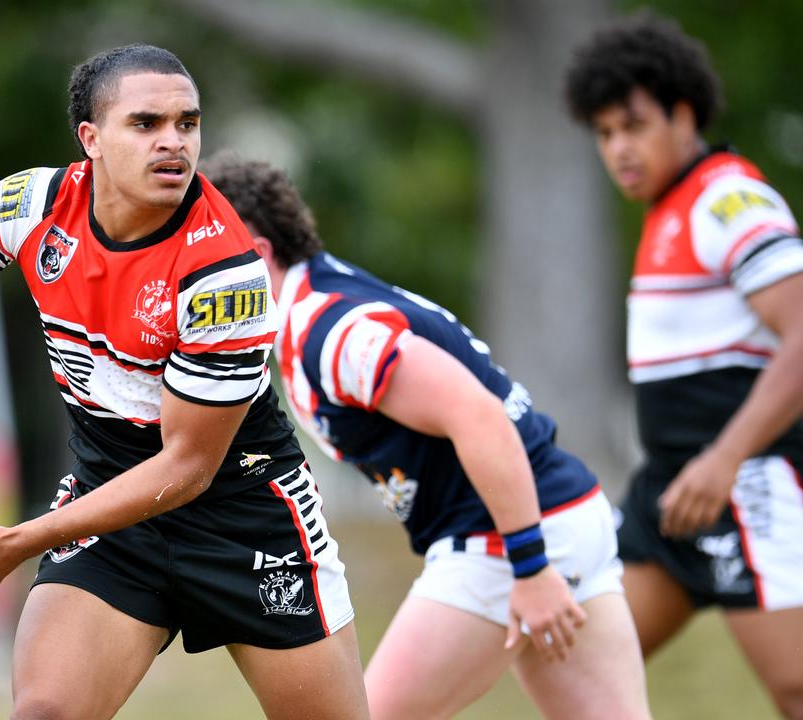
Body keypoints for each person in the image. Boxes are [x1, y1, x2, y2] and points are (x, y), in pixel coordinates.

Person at [0, 44, 368, 720]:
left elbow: (189, 466)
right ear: (91, 139)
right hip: (110, 508)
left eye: (187, 123)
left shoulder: (222, 273)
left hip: (245, 519)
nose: (173, 142)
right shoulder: (32, 206)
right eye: (146, 124)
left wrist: (28, 538)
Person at [203, 154, 651, 719]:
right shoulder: (320, 302)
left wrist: (532, 568)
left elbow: (479, 417)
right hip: (564, 516)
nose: (184, 277)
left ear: (257, 253)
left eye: (198, 255)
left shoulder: (330, 332)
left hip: (506, 542)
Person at [565, 13, 803, 717]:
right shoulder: (670, 209)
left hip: (746, 484)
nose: (619, 150)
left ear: (684, 112)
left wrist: (726, 459)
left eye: (634, 126)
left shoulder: (728, 200)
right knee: (576, 659)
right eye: (605, 134)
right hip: (671, 498)